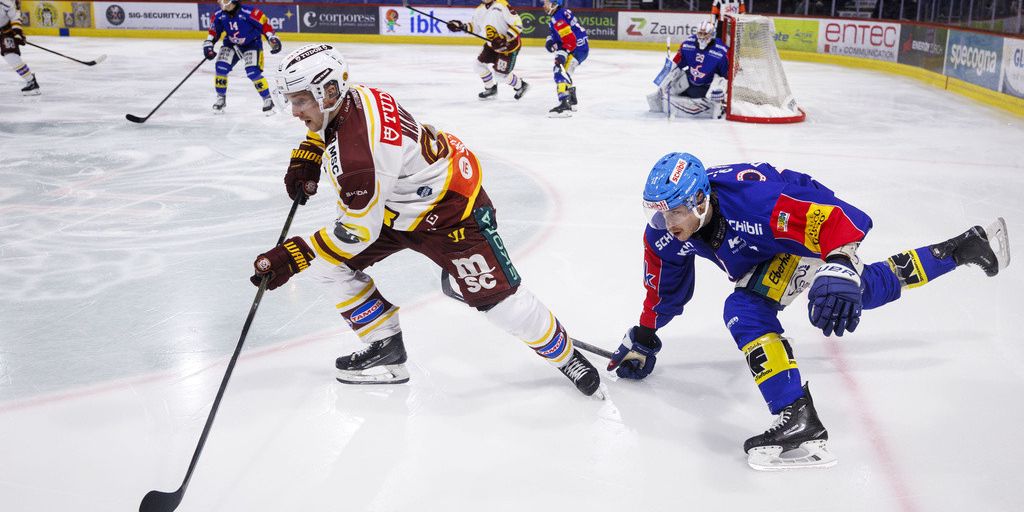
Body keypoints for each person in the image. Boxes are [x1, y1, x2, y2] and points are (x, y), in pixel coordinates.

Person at [608, 152, 1010, 470]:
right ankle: (963, 248)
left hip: (802, 233)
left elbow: (843, 217)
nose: (665, 221)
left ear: (699, 201)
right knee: (863, 289)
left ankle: (797, 418)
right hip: (767, 251)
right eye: (658, 211)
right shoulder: (667, 231)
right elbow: (664, 286)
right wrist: (646, 335)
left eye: (674, 210)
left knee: (745, 309)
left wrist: (838, 260)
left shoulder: (757, 203)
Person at [253, 43, 602, 397]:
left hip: (453, 216)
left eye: (300, 101)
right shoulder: (353, 97)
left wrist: (293, 254)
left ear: (328, 91)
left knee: (502, 306)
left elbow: (358, 230)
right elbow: (333, 135)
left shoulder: (359, 154)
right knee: (327, 265)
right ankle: (385, 348)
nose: (295, 111)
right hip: (397, 206)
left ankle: (566, 357)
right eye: (292, 100)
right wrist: (310, 152)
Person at [203, 0, 282, 115]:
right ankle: (221, 97)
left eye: (225, 0)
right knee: (221, 67)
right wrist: (209, 44)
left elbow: (265, 26)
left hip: (252, 45)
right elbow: (214, 32)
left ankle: (267, 99)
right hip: (231, 45)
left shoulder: (250, 12)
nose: (221, 3)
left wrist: (272, 39)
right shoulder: (219, 15)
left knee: (253, 73)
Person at [445, 0, 529, 101]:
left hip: (508, 47)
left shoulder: (501, 4)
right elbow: (475, 27)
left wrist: (506, 37)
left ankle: (521, 85)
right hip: (491, 45)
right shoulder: (479, 10)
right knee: (478, 65)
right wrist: (461, 27)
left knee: (500, 76)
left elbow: (518, 24)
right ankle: (491, 88)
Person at [646, 20, 728, 119]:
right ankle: (660, 101)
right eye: (700, 33)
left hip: (706, 87)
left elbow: (726, 75)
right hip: (689, 82)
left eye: (705, 34)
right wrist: (668, 75)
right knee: (665, 85)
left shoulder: (721, 51)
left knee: (719, 85)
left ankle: (718, 107)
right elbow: (677, 63)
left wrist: (722, 89)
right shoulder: (688, 44)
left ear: (712, 35)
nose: (702, 37)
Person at [542, 0, 588, 117]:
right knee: (565, 72)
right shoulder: (559, 14)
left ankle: (565, 105)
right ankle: (572, 101)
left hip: (575, 48)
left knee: (559, 71)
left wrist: (562, 55)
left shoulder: (557, 17)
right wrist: (550, 41)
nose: (544, 5)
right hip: (579, 47)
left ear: (553, 4)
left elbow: (569, 40)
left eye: (546, 2)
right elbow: (558, 34)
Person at [1, 0, 39, 95]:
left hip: (6, 32)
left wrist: (17, 32)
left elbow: (15, 16)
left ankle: (31, 81)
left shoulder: (5, 1)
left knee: (11, 56)